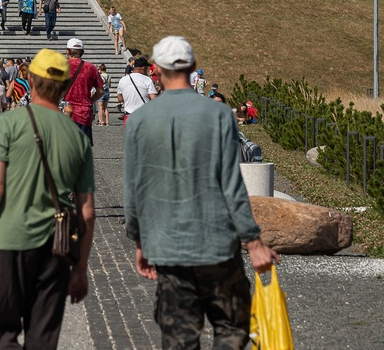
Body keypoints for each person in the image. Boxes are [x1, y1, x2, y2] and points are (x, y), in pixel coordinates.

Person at [125, 36, 278, 350]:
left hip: (168, 246)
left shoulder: (139, 120)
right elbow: (231, 183)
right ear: (193, 68)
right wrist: (253, 241)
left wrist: (140, 240)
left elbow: (135, 188)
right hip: (217, 244)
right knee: (232, 329)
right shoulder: (218, 114)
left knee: (179, 339)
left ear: (156, 70)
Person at [0, 49, 96, 349]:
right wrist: (80, 268)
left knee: (1, 334)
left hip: (11, 241)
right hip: (57, 248)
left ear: (31, 79)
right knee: (42, 338)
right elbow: (87, 212)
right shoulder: (77, 138)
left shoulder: (7, 125)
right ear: (63, 86)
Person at [61, 38, 104, 143]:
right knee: (82, 150)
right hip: (84, 114)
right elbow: (100, 91)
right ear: (82, 52)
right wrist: (90, 100)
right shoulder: (91, 68)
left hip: (64, 113)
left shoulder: (61, 66)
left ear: (67, 51)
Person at [118, 57, 157, 122]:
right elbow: (154, 99)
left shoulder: (123, 80)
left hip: (128, 116)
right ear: (143, 68)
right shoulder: (147, 80)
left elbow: (120, 99)